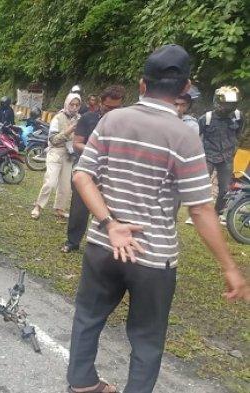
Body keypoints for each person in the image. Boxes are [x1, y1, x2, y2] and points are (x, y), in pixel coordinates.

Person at [66, 44, 249, 393]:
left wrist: (109, 223)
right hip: (153, 258)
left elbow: (81, 175)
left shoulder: (111, 119)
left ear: (141, 84)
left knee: (88, 318)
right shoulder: (184, 135)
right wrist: (229, 267)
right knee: (147, 341)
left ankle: (82, 384)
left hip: (105, 245)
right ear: (185, 89)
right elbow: (200, 208)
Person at [61, 85, 125, 253]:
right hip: (87, 170)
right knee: (79, 209)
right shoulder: (88, 118)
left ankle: (106, 245)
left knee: (111, 209)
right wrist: (99, 152)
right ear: (101, 103)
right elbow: (77, 144)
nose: (111, 111)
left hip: (113, 173)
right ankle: (72, 242)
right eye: (108, 107)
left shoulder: (125, 123)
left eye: (116, 108)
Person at [31, 93, 81, 220]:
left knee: (65, 186)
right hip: (56, 153)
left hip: (69, 155)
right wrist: (69, 130)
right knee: (50, 182)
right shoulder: (58, 118)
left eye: (77, 104)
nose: (74, 107)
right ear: (66, 103)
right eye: (72, 104)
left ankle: (59, 209)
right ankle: (38, 206)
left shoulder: (79, 119)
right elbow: (53, 140)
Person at [199, 86, 245, 217]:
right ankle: (198, 212)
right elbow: (196, 135)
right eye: (224, 103)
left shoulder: (238, 116)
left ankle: (217, 213)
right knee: (201, 185)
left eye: (230, 104)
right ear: (217, 102)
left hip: (227, 157)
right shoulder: (206, 118)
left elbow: (239, 133)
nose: (226, 107)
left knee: (225, 189)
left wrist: (234, 148)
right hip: (208, 156)